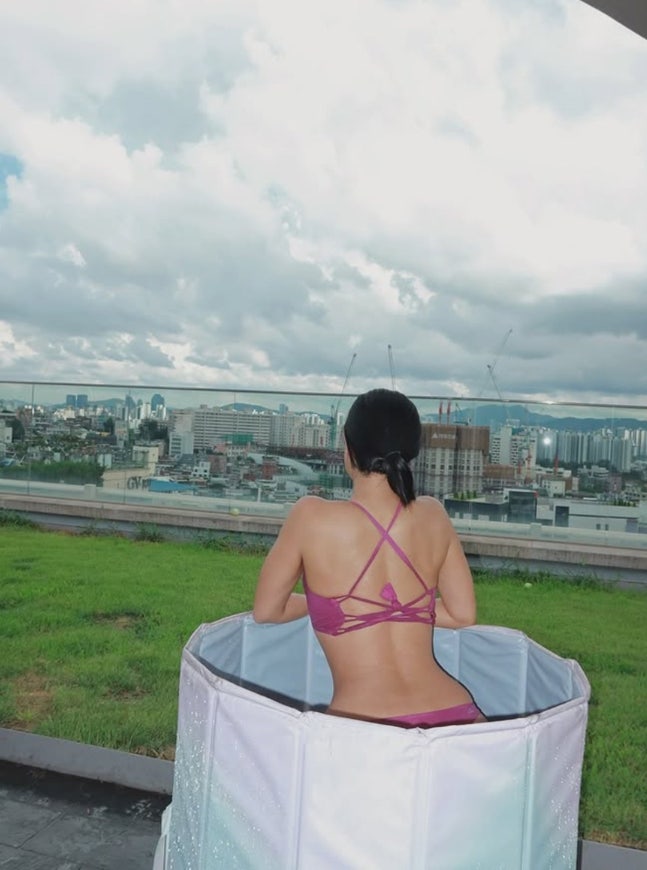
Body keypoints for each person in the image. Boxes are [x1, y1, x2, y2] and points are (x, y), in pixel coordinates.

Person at [253, 388, 483, 727]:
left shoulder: (310, 516)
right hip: (459, 718)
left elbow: (267, 611)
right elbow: (462, 615)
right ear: (412, 452)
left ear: (348, 448)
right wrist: (401, 609)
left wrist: (331, 607)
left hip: (364, 728)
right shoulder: (433, 514)